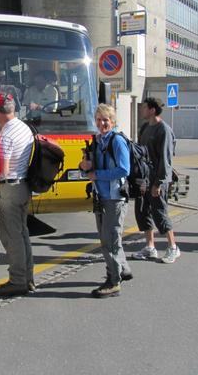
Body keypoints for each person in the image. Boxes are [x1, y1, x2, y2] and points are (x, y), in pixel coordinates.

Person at [79, 104, 132, 298]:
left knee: (110, 241)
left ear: (113, 121)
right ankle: (122, 270)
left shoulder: (117, 141)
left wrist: (97, 174)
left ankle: (113, 281)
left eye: (106, 120)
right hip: (101, 197)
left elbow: (124, 170)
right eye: (99, 119)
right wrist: (84, 166)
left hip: (114, 197)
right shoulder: (98, 140)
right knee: (106, 239)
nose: (102, 123)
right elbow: (88, 168)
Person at [0, 93, 35, 297]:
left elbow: (3, 169)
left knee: (11, 235)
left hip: (10, 188)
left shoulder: (6, 135)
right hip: (24, 185)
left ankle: (17, 280)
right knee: (23, 233)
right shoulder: (23, 127)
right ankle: (28, 277)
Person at [131, 97, 180, 264]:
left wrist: (158, 183)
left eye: (144, 107)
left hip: (157, 179)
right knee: (143, 212)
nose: (141, 110)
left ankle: (173, 247)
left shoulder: (163, 130)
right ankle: (150, 247)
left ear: (152, 110)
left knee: (160, 212)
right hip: (144, 178)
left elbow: (166, 160)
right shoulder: (145, 127)